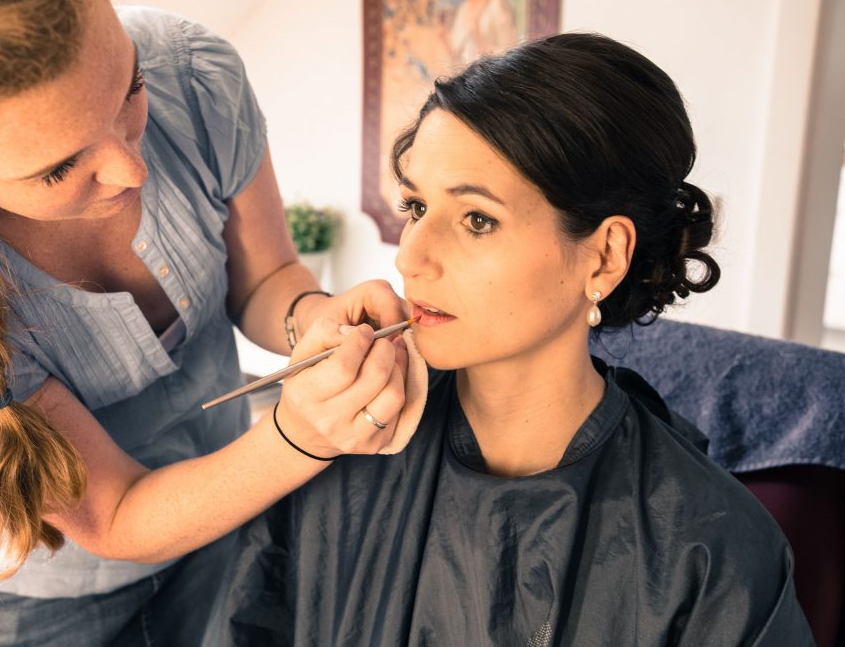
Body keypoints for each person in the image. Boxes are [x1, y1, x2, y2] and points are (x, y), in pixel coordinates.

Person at [0, 0, 413, 644]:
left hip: (227, 511)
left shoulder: (191, 72)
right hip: (35, 600)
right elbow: (113, 514)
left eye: (129, 89)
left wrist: (311, 317)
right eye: (58, 168)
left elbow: (269, 274)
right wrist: (301, 437)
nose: (133, 171)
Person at [207, 33, 816, 645]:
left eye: (477, 220)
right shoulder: (338, 449)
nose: (410, 257)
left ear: (604, 258)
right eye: (416, 207)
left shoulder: (713, 554)